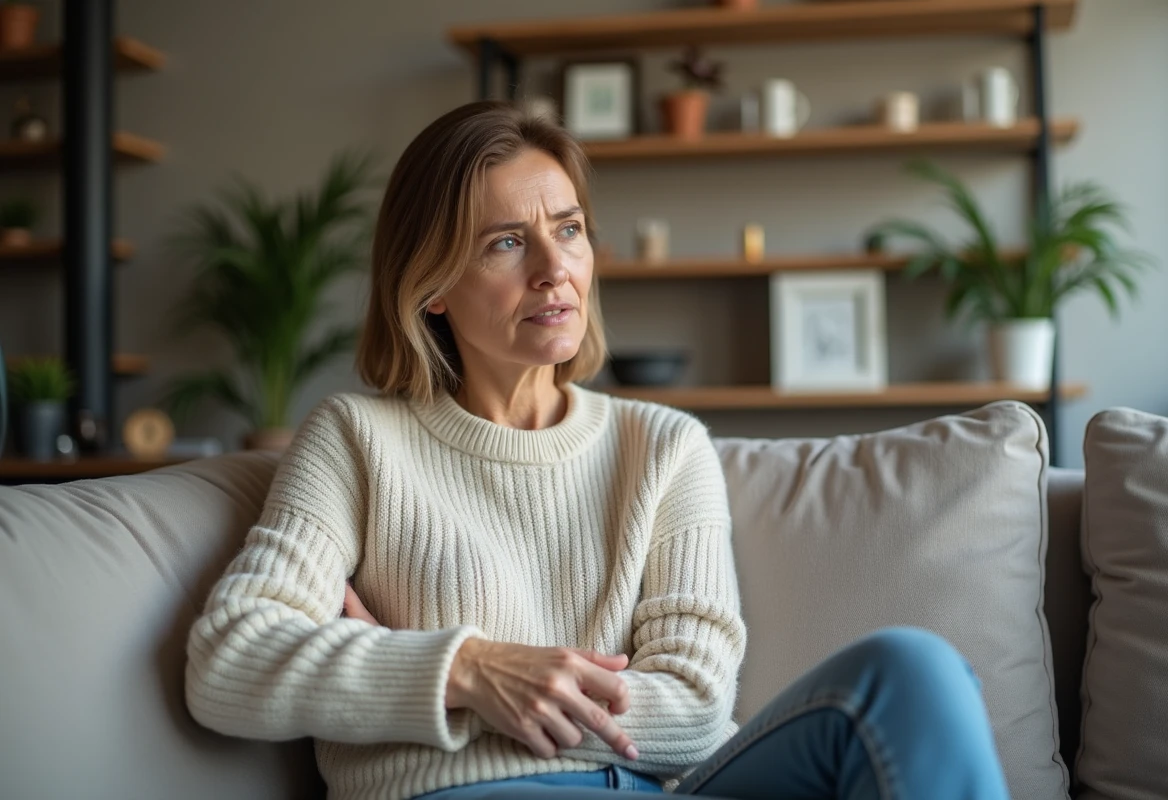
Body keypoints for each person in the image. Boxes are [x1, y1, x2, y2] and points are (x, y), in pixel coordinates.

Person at [185, 101, 1010, 800]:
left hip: (649, 790)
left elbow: (692, 707)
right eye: (505, 242)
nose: (556, 269)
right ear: (429, 286)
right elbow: (227, 662)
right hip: (467, 795)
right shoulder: (356, 439)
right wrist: (469, 670)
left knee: (916, 673)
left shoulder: (662, 447)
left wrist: (408, 666)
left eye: (569, 229)